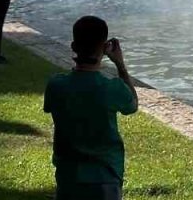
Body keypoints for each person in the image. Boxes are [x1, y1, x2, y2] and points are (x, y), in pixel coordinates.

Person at [44, 16, 139, 200]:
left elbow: (50, 108)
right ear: (104, 48)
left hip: (68, 175)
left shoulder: (56, 85)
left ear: (73, 46)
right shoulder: (113, 88)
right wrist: (120, 65)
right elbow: (133, 105)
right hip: (105, 176)